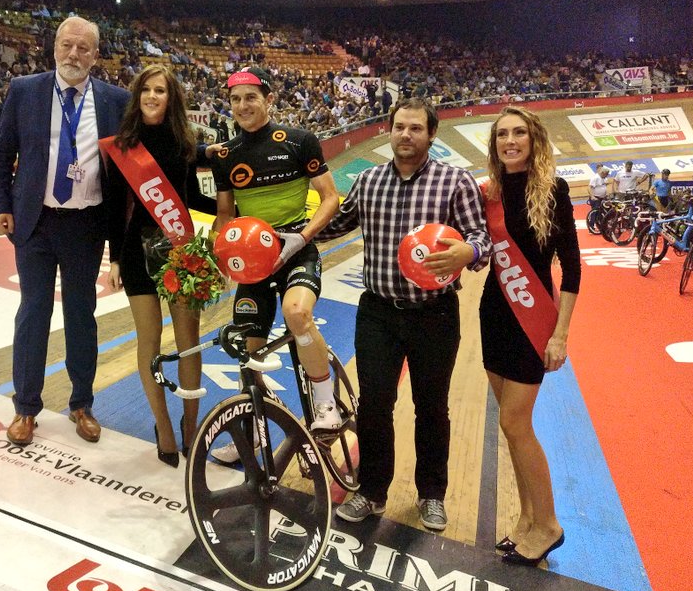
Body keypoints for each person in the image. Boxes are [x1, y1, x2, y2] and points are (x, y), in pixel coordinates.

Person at [316, 97, 490, 531]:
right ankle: (372, 491)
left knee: (432, 407)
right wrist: (287, 229)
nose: (406, 135)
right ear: (388, 131)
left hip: (435, 314)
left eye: (416, 128)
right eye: (399, 127)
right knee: (375, 405)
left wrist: (468, 252)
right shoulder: (369, 180)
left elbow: (480, 239)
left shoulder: (455, 182)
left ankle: (432, 494)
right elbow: (335, 224)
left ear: (432, 134)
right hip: (377, 313)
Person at [0, 15, 130, 447]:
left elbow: (127, 170)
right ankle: (25, 408)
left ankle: (81, 404)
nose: (74, 55)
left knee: (81, 316)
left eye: (83, 48)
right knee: (33, 313)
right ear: (54, 47)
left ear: (96, 55)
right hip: (35, 221)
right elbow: (0, 156)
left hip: (86, 225)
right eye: (67, 45)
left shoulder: (115, 101)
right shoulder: (25, 90)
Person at [209, 66, 342, 466]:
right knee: (248, 351)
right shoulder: (227, 155)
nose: (243, 106)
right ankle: (251, 434)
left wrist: (301, 238)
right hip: (255, 262)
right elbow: (225, 217)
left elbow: (331, 199)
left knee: (297, 313)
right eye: (235, 99)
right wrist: (217, 260)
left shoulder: (300, 141)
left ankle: (325, 406)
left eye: (251, 97)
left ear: (268, 100)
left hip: (296, 248)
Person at [479, 106, 579, 567]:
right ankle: (526, 519)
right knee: (509, 425)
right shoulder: (489, 193)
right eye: (503, 134)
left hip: (532, 320)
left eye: (519, 132)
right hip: (494, 313)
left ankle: (550, 524)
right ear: (495, 143)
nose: (510, 140)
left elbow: (573, 270)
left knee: (517, 425)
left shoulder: (553, 191)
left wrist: (560, 335)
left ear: (533, 139)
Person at [104, 64, 217, 467]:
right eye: (147, 90)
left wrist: (230, 206)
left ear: (172, 99)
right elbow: (115, 207)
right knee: (148, 342)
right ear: (137, 96)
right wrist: (115, 256)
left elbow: (191, 198)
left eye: (161, 91)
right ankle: (164, 427)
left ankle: (191, 425)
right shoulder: (122, 145)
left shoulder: (185, 142)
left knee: (189, 341)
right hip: (137, 253)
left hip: (180, 250)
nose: (153, 96)